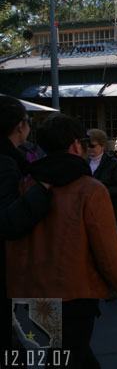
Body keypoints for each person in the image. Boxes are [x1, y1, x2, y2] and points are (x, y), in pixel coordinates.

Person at [6, 114, 117, 368]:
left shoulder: (29, 183)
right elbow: (109, 255)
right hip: (76, 294)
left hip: (37, 291)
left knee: (68, 352)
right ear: (75, 145)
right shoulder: (90, 189)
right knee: (68, 356)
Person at [0, 97, 51, 355]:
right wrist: (43, 190)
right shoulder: (7, 164)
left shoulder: (14, 161)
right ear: (20, 126)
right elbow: (8, 221)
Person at [86, 129, 117, 233]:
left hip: (109, 210)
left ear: (102, 146)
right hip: (90, 212)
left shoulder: (113, 163)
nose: (89, 149)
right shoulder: (84, 163)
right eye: (87, 146)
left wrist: (101, 190)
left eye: (92, 146)